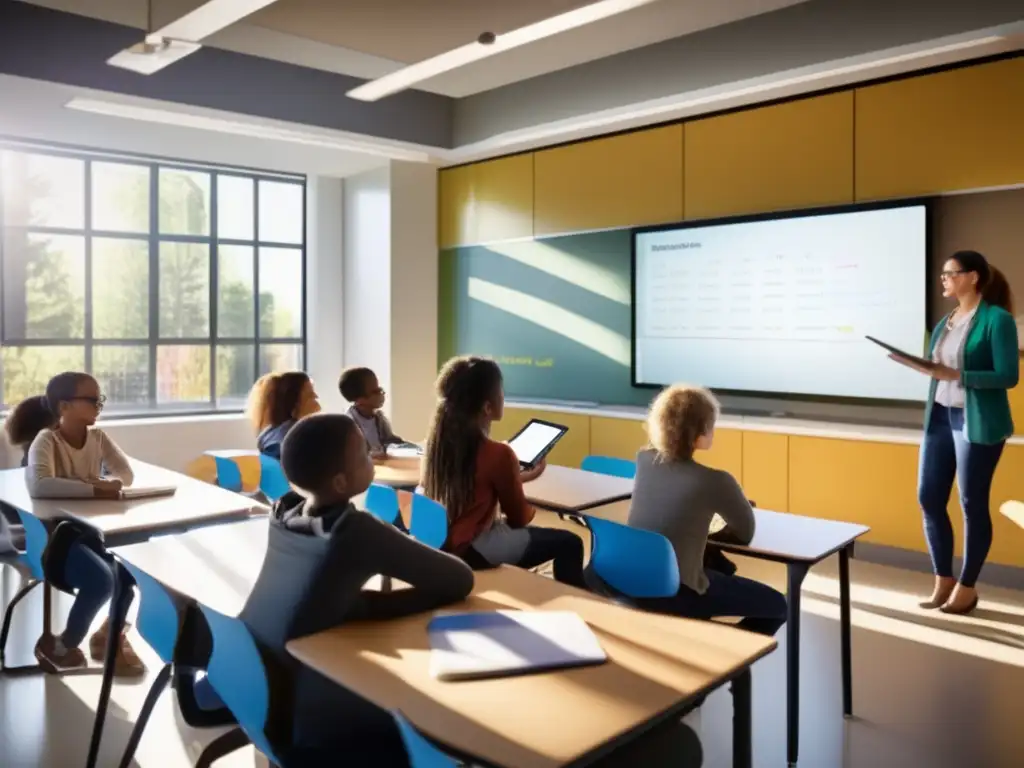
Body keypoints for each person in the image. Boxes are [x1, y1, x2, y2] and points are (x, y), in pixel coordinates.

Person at [238, 412, 474, 763]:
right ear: (339, 482)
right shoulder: (355, 531)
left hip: (257, 690)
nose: (370, 457)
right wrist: (373, 605)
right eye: (363, 454)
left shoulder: (285, 512)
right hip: (311, 719)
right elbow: (459, 580)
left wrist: (362, 607)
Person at [889, 250, 1019, 614]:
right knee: (929, 498)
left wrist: (957, 376)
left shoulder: (998, 320)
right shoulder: (948, 320)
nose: (943, 279)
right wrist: (925, 367)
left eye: (951, 273)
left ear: (973, 277)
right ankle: (942, 579)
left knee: (971, 504)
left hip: (976, 422)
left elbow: (1009, 376)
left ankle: (967, 585)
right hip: (941, 419)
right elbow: (942, 370)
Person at [7, 372, 143, 674]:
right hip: (57, 541)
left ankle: (108, 637)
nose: (98, 405)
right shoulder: (46, 440)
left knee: (128, 574)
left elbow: (126, 475)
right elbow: (40, 485)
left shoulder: (98, 438)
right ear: (64, 406)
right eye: (90, 400)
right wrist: (94, 487)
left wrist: (108, 481)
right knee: (103, 580)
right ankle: (62, 646)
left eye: (100, 400)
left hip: (87, 533)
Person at [627, 384, 787, 636]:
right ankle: (727, 657)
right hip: (677, 589)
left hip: (633, 578)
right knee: (779, 605)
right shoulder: (716, 481)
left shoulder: (645, 460)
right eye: (711, 424)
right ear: (697, 434)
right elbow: (744, 534)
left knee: (720, 566)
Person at [421, 356, 587, 588]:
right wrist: (518, 491)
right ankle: (580, 603)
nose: (503, 396)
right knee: (571, 541)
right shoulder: (499, 453)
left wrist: (518, 477)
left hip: (445, 542)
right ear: (487, 407)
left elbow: (474, 481)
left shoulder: (437, 445)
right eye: (501, 391)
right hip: (477, 548)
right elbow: (519, 518)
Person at [246, 371, 321, 460]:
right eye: (310, 395)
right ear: (294, 404)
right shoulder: (286, 441)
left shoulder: (270, 433)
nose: (316, 397)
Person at [339, 367, 403, 458]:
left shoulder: (380, 418)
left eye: (380, 389)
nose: (381, 394)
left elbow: (391, 441)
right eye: (376, 391)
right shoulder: (348, 425)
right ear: (360, 400)